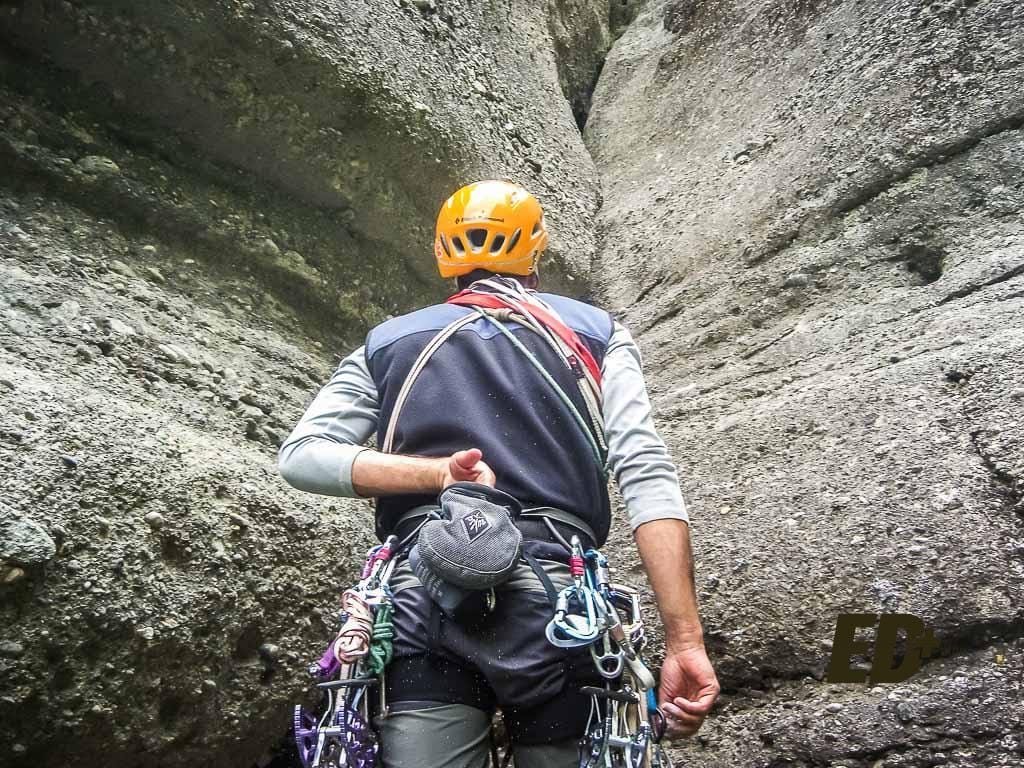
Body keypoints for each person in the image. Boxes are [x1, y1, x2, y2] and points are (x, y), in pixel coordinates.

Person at [278, 180, 719, 767]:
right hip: (560, 601)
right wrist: (684, 640)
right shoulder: (596, 335)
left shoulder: (387, 344)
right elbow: (645, 471)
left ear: (442, 255)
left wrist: (437, 477)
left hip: (422, 593)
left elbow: (303, 456)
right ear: (534, 252)